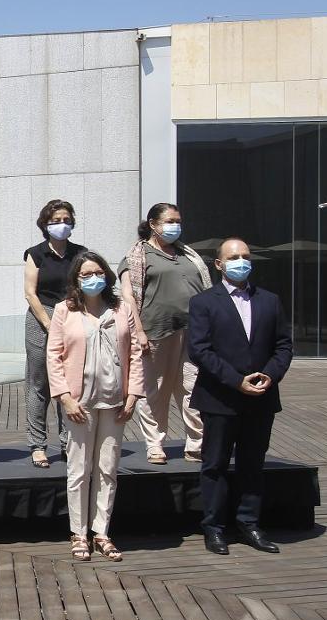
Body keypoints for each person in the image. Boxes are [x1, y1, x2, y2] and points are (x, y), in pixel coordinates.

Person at [188, 239, 293, 555]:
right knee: (215, 464)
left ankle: (249, 523)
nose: (241, 262)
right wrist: (236, 381)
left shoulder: (270, 300)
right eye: (233, 257)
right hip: (219, 397)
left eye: (246, 256)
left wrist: (269, 375)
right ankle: (215, 527)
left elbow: (283, 345)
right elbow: (199, 350)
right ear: (219, 264)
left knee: (252, 464)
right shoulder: (203, 302)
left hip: (260, 397)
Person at [46, 252, 143, 562]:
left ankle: (101, 531)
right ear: (76, 279)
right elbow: (54, 355)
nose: (93, 278)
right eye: (85, 274)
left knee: (107, 468)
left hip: (116, 401)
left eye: (98, 272)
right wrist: (64, 396)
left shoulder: (122, 309)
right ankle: (79, 531)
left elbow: (136, 355)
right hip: (79, 402)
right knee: (79, 469)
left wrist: (133, 395)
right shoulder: (64, 310)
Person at [118, 202, 210, 465]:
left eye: (178, 221)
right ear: (153, 225)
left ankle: (196, 443)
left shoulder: (188, 254)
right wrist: (139, 332)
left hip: (193, 333)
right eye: (170, 221)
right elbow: (128, 296)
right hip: (156, 332)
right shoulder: (137, 256)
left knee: (192, 388)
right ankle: (155, 444)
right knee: (154, 390)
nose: (175, 226)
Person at [23, 199, 87, 467]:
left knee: (69, 383)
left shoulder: (80, 253)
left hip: (73, 316)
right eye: (56, 220)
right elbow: (30, 292)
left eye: (66, 220)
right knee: (39, 384)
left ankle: (67, 441)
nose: (62, 225)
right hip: (42, 319)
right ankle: (38, 444)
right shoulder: (35, 253)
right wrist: (49, 323)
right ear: (45, 224)